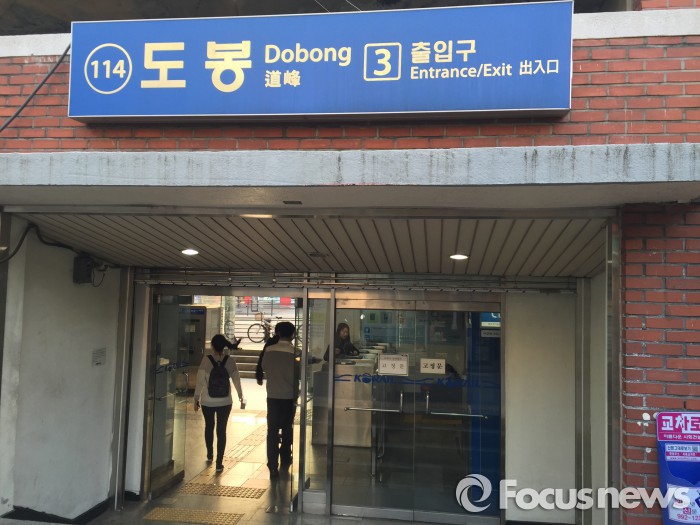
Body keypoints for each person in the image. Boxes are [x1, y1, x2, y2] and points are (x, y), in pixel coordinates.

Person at [194, 334, 244, 473]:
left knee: (209, 426)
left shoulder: (206, 360)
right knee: (221, 431)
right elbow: (237, 380)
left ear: (212, 346)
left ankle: (210, 454)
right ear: (224, 346)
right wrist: (240, 396)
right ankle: (219, 463)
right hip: (225, 402)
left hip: (207, 401)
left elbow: (199, 381)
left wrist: (196, 398)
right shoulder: (230, 361)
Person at [260, 321, 299, 479]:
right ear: (292, 335)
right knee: (288, 427)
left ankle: (272, 466)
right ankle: (285, 456)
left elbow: (264, 367)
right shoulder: (296, 352)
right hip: (289, 396)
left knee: (272, 430)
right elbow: (301, 372)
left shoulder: (269, 350)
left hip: (273, 396)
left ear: (278, 333)